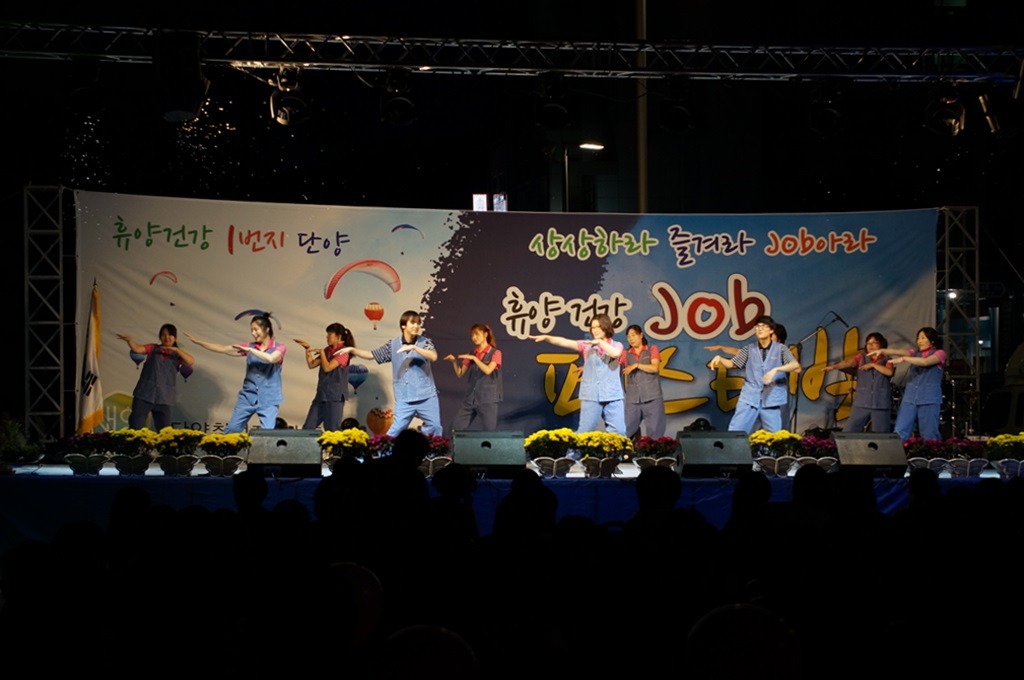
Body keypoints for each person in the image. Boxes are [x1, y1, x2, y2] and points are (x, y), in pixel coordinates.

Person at [336, 310, 442, 437]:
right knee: (394, 432)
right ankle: (385, 450)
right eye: (413, 323)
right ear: (403, 325)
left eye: (418, 323)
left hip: (426, 396)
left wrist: (414, 347)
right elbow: (371, 355)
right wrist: (352, 349)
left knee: (435, 427)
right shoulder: (393, 345)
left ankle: (428, 448)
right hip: (404, 397)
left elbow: (433, 356)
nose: (416, 326)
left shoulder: (424, 342)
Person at [185, 312, 286, 433]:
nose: (253, 333)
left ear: (267, 329)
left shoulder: (279, 347)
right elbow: (224, 349)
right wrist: (199, 342)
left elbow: (271, 359)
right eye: (251, 330)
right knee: (232, 429)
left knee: (268, 433)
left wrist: (251, 350)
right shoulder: (249, 346)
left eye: (256, 330)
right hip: (248, 396)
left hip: (269, 397)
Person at [529, 313, 626, 435]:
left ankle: (616, 449)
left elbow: (615, 354)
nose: (594, 330)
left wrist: (600, 343)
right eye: (592, 327)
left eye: (598, 327)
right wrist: (547, 337)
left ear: (606, 326)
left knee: (619, 431)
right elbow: (565, 342)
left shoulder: (617, 345)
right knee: (585, 431)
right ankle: (572, 448)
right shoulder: (586, 346)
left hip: (612, 395)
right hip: (591, 395)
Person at [707, 315, 801, 434]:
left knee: (775, 436)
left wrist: (776, 370)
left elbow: (796, 366)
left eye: (764, 326)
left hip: (771, 399)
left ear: (771, 330)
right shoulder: (749, 349)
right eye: (757, 326)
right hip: (749, 397)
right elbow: (732, 364)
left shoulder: (781, 349)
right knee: (736, 432)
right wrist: (720, 358)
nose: (760, 329)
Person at [870, 326, 945, 441]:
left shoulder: (940, 353)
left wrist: (904, 359)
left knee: (929, 433)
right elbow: (899, 351)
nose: (919, 341)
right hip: (910, 397)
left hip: (929, 398)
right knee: (900, 430)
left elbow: (925, 362)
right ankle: (897, 451)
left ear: (932, 340)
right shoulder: (915, 353)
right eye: (918, 338)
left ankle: (933, 451)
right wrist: (883, 351)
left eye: (923, 338)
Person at [116, 324, 195, 430]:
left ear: (175, 337)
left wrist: (176, 350)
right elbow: (137, 349)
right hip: (144, 394)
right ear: (160, 336)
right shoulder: (152, 348)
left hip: (164, 397)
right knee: (136, 425)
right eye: (163, 335)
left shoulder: (178, 354)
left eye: (170, 335)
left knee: (164, 430)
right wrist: (129, 340)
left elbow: (190, 361)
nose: (166, 337)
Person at [823, 331, 895, 433]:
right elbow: (848, 362)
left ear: (881, 344)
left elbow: (889, 372)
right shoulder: (861, 358)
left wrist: (873, 365)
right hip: (862, 401)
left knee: (881, 432)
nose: (870, 345)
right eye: (868, 343)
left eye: (874, 343)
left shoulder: (887, 360)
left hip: (881, 402)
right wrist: (834, 366)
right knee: (850, 430)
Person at [294, 322, 355, 431]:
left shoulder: (343, 352)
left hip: (335, 396)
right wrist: (307, 349)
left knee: (332, 429)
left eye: (330, 334)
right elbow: (312, 364)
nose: (327, 337)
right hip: (321, 394)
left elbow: (328, 367)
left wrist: (322, 353)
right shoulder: (327, 350)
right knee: (308, 427)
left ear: (338, 336)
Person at [443, 322, 503, 433]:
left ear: (485, 334)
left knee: (489, 431)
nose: (474, 338)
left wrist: (474, 359)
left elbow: (488, 370)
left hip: (487, 398)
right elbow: (460, 373)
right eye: (472, 335)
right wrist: (454, 362)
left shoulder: (495, 353)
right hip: (471, 397)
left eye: (477, 334)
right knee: (456, 428)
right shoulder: (472, 353)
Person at [622, 324, 666, 439]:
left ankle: (653, 450)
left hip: (652, 397)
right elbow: (611, 363)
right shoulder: (625, 353)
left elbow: (655, 368)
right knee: (625, 430)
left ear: (641, 335)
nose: (631, 339)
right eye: (628, 336)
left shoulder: (651, 349)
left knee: (655, 432)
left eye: (633, 335)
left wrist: (636, 365)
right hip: (633, 399)